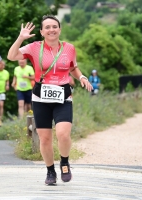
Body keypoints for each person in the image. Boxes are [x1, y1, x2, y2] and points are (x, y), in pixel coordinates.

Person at [7, 15, 92, 185]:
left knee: (63, 134)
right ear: (41, 31)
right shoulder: (33, 48)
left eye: (54, 26)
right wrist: (20, 38)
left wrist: (82, 77)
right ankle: (50, 171)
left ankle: (65, 162)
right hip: (41, 97)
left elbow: (73, 67)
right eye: (47, 27)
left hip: (63, 95)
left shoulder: (69, 48)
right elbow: (11, 56)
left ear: (59, 29)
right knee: (45, 138)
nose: (51, 30)